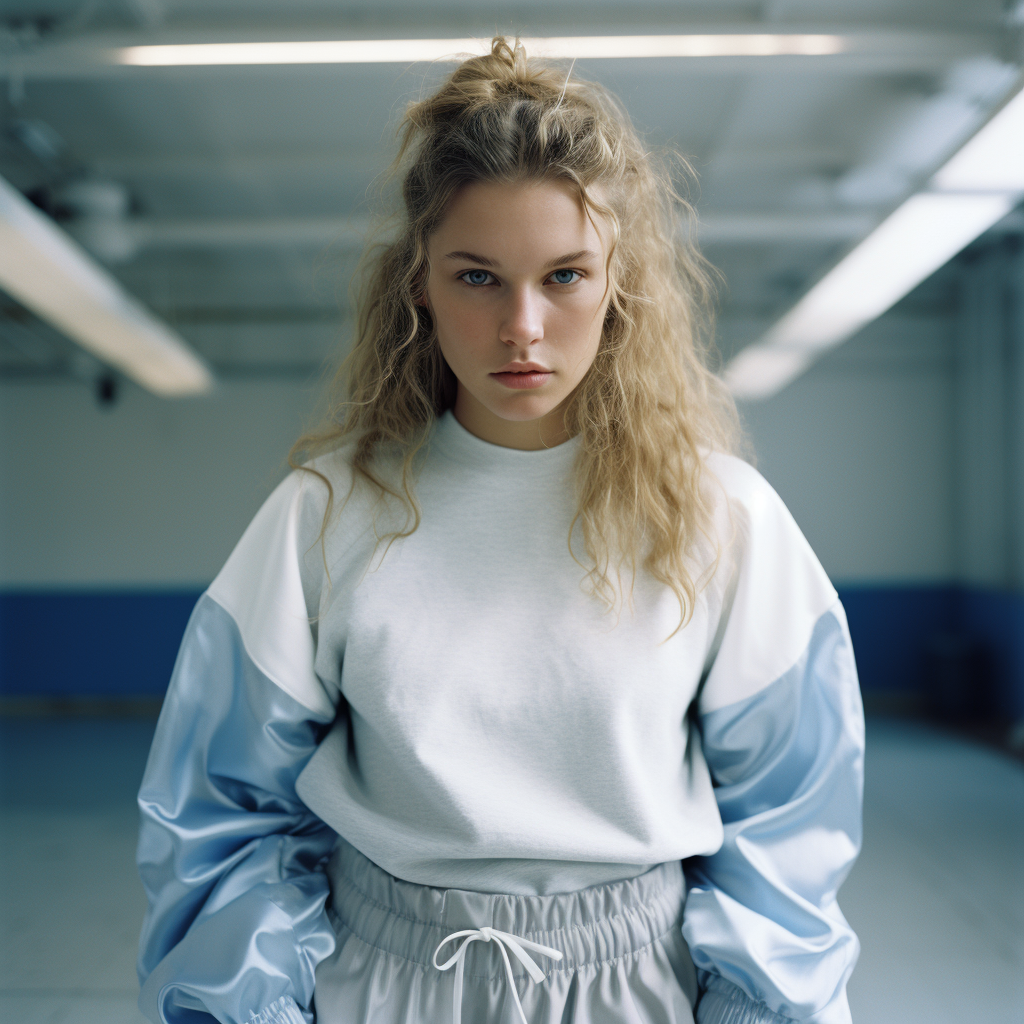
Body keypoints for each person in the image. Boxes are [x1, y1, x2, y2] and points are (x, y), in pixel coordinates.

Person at [135, 36, 864, 1024]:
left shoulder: (721, 520)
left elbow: (790, 823)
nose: (522, 326)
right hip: (384, 986)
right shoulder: (323, 517)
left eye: (563, 276)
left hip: (641, 990)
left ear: (618, 287)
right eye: (477, 278)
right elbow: (222, 816)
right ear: (420, 287)